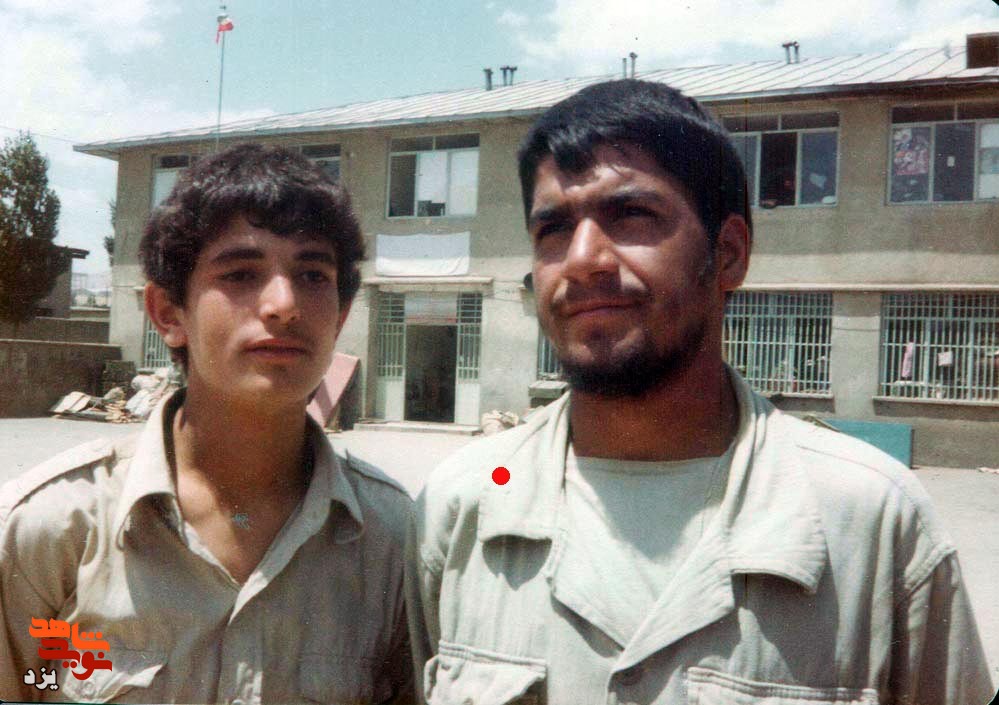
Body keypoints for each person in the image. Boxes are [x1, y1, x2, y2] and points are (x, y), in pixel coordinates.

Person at [405, 80, 993, 704]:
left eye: (631, 215)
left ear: (729, 254)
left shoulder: (870, 520)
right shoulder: (464, 504)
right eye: (552, 228)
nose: (581, 259)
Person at [1, 143, 413, 703]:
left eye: (312, 274)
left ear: (340, 317)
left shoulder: (391, 540)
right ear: (168, 313)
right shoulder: (57, 529)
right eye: (241, 273)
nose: (284, 304)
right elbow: (25, 684)